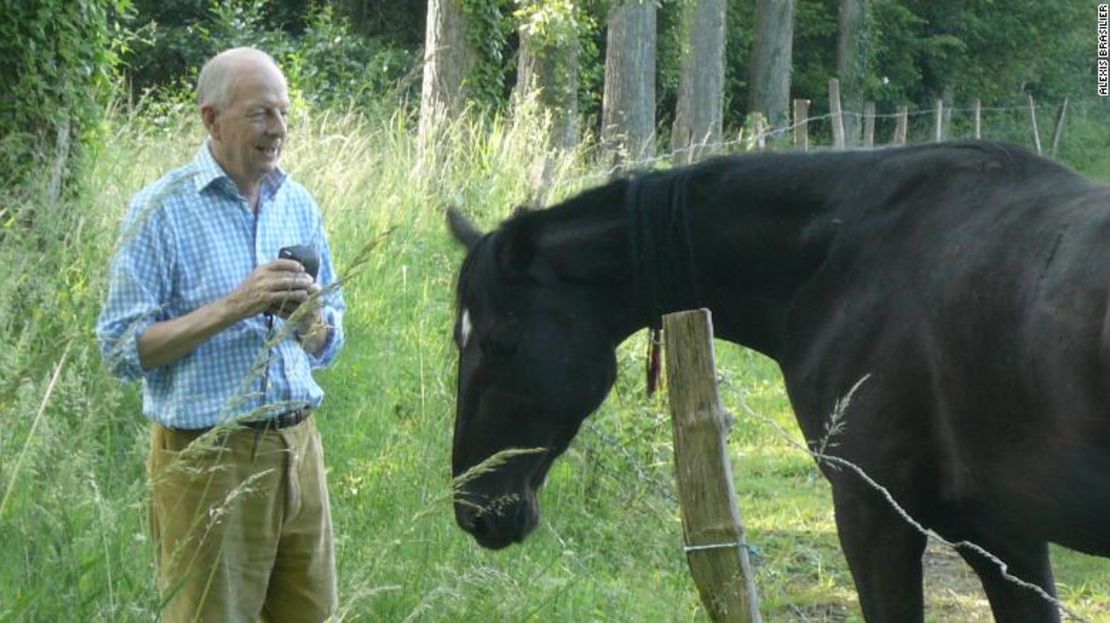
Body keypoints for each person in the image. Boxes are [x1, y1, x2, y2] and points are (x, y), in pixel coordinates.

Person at [96, 47, 346, 622]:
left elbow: (330, 344)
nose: (277, 129)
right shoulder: (161, 209)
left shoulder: (298, 203)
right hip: (208, 458)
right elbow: (120, 349)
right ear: (211, 118)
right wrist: (236, 305)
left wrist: (309, 320)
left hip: (298, 449)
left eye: (283, 113)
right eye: (260, 114)